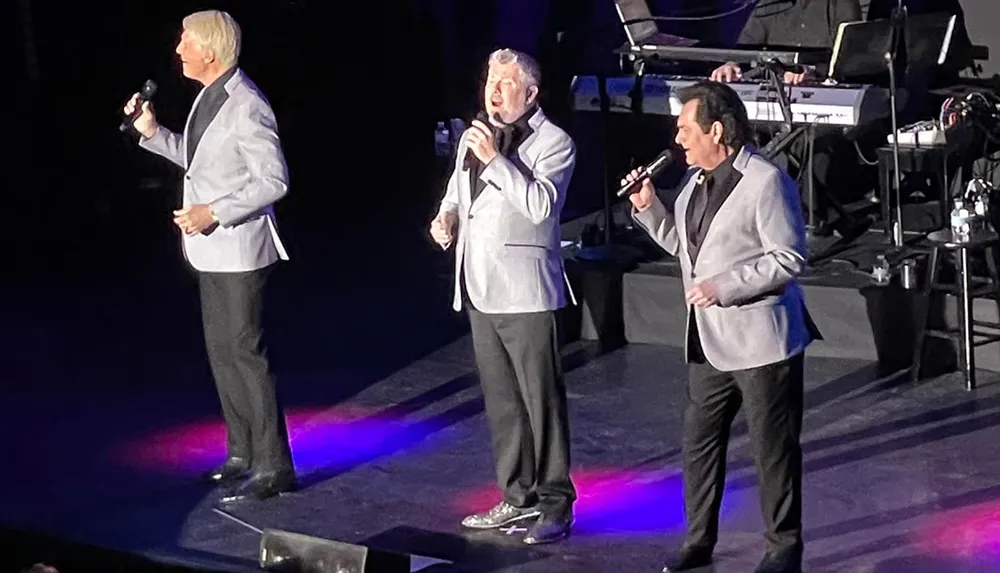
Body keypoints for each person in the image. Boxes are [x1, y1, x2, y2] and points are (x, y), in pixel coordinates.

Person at [623, 81, 820, 573]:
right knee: (699, 444)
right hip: (708, 341)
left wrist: (726, 286)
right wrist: (649, 208)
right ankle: (698, 540)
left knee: (771, 451)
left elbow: (790, 257)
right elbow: (684, 249)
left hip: (761, 342)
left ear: (716, 129)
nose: (678, 137)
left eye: (686, 128)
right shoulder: (693, 183)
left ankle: (783, 550)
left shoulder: (766, 182)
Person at [123, 10, 295, 501]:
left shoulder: (246, 105)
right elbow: (201, 165)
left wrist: (214, 213)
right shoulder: (208, 97)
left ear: (210, 51)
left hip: (240, 249)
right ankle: (241, 452)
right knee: (222, 354)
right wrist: (152, 133)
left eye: (185, 42)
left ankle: (274, 464)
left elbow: (273, 179)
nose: (177, 50)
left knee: (246, 354)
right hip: (210, 252)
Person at [428, 48, 577, 545]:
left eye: (506, 83)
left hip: (526, 290)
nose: (494, 90)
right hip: (479, 285)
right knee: (503, 403)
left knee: (541, 401)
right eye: (490, 80)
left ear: (530, 93)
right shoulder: (477, 135)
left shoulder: (555, 143)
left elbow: (538, 206)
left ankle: (556, 503)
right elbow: (457, 189)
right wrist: (445, 216)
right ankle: (517, 497)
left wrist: (495, 159)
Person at [711, 0, 863, 85]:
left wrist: (812, 72)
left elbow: (849, 60)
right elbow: (746, 48)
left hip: (821, 94)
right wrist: (731, 65)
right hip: (773, 91)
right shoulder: (770, 5)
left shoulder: (842, 4)